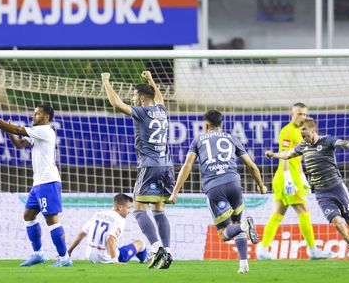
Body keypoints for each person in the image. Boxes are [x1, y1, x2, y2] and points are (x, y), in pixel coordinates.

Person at [265, 117, 349, 265]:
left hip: (337, 188)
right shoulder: (303, 145)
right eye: (300, 130)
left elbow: (346, 144)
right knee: (338, 223)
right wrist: (274, 155)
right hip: (321, 193)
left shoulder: (327, 141)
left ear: (312, 130)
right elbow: (288, 154)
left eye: (303, 129)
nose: (301, 132)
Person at [168, 110, 267, 274]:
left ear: (206, 125)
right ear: (221, 124)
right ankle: (243, 264)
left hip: (214, 188)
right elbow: (251, 166)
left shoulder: (198, 140)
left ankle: (244, 227)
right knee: (237, 225)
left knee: (224, 234)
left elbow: (187, 166)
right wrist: (261, 186)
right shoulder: (232, 138)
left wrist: (175, 192)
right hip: (235, 184)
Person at [0, 104, 72, 267]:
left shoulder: (45, 131)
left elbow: (19, 130)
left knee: (51, 219)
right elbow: (19, 143)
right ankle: (38, 254)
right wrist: (8, 130)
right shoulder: (36, 133)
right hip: (38, 183)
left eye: (37, 113)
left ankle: (64, 258)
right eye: (34, 112)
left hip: (48, 182)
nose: (33, 116)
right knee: (29, 216)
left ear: (46, 117)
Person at [101, 71, 174, 269]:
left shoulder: (142, 112)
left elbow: (116, 105)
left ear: (142, 98)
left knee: (140, 210)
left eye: (134, 96)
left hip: (149, 165)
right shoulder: (161, 110)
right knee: (159, 210)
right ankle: (167, 251)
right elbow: (159, 97)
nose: (132, 99)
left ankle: (157, 247)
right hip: (166, 165)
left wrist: (106, 82)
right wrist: (151, 80)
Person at [257, 103, 331, 260]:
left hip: (288, 177)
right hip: (286, 177)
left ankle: (263, 249)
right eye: (299, 114)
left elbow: (297, 159)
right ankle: (312, 250)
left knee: (277, 214)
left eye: (305, 114)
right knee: (304, 212)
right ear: (292, 114)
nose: (302, 117)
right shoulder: (287, 131)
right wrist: (289, 179)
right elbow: (284, 155)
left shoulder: (301, 132)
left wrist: (303, 179)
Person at [67, 194, 148, 264]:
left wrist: (69, 251)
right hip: (106, 259)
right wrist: (115, 261)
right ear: (120, 207)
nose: (129, 211)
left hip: (90, 256)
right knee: (140, 243)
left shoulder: (98, 214)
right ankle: (144, 260)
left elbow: (81, 234)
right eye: (128, 208)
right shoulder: (120, 219)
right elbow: (110, 238)